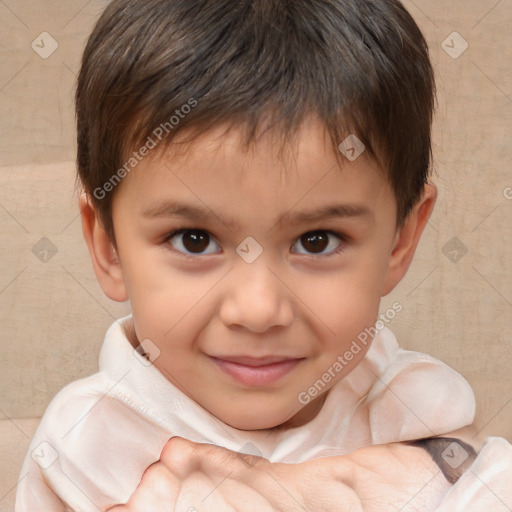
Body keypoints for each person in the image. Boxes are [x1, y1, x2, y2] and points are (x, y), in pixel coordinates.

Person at [15, 0, 512, 510]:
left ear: (400, 240)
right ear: (109, 247)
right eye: (194, 240)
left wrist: (337, 488)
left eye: (317, 240)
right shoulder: (85, 447)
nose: (257, 310)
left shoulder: (411, 406)